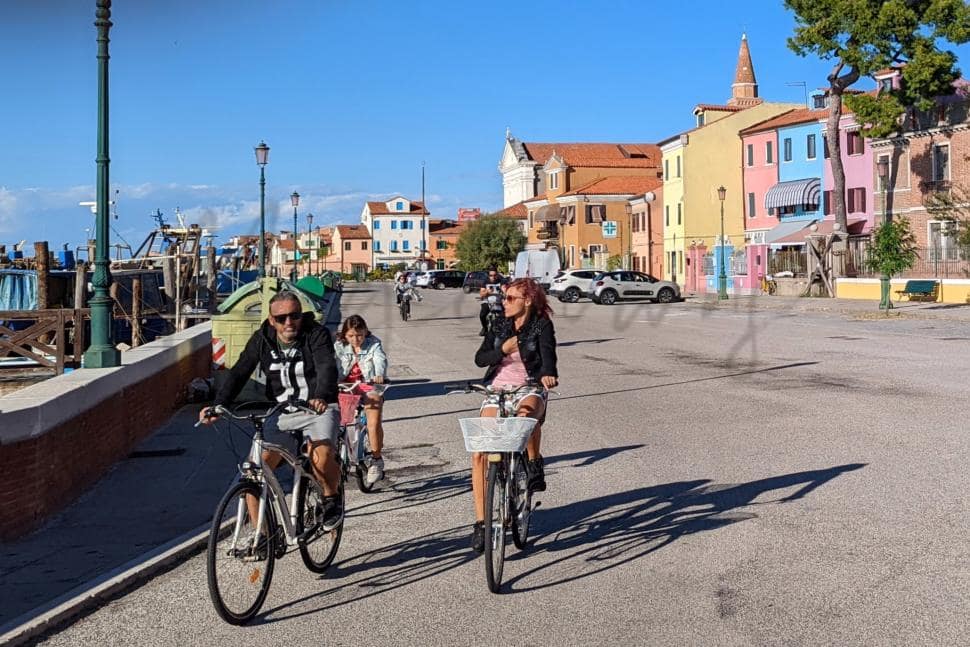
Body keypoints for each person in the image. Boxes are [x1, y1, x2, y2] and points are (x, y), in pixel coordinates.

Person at [199, 291, 343, 531]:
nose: (289, 322)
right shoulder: (263, 338)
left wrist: (322, 396)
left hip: (317, 407)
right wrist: (219, 404)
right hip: (282, 411)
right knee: (253, 473)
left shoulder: (315, 333)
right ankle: (263, 536)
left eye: (294, 315)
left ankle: (331, 498)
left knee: (322, 454)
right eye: (281, 317)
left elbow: (326, 365)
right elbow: (240, 370)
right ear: (271, 320)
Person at [469, 278, 558, 553]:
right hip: (497, 386)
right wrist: (502, 350)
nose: (504, 302)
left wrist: (547, 375)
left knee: (526, 416)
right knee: (480, 451)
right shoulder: (498, 323)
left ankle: (533, 461)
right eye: (504, 297)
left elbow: (548, 356)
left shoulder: (541, 324)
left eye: (510, 298)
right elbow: (480, 358)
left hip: (528, 384)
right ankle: (482, 523)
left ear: (527, 301)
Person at [334, 315, 388, 485]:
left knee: (373, 422)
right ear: (345, 335)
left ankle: (376, 459)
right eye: (351, 336)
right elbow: (330, 364)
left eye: (359, 335)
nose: (355, 339)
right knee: (339, 422)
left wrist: (379, 375)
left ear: (365, 332)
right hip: (346, 386)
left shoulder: (373, 343)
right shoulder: (339, 346)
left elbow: (380, 359)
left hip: (370, 384)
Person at [478, 266, 508, 336]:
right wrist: (487, 292)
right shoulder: (485, 281)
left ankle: (505, 329)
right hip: (488, 301)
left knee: (506, 314)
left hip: (498, 301)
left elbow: (505, 290)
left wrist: (504, 291)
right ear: (489, 275)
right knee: (482, 315)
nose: (493, 277)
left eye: (495, 275)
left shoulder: (502, 281)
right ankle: (484, 328)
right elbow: (481, 294)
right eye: (491, 275)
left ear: (497, 274)